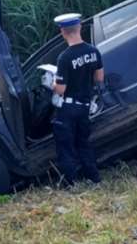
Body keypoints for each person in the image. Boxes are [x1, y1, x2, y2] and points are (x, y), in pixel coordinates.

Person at [51, 12, 104, 186]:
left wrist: (51, 83)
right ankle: (94, 178)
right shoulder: (93, 51)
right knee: (83, 143)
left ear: (63, 32)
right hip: (85, 107)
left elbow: (60, 89)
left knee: (66, 146)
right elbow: (99, 78)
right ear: (80, 27)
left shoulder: (64, 58)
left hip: (67, 108)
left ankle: (70, 182)